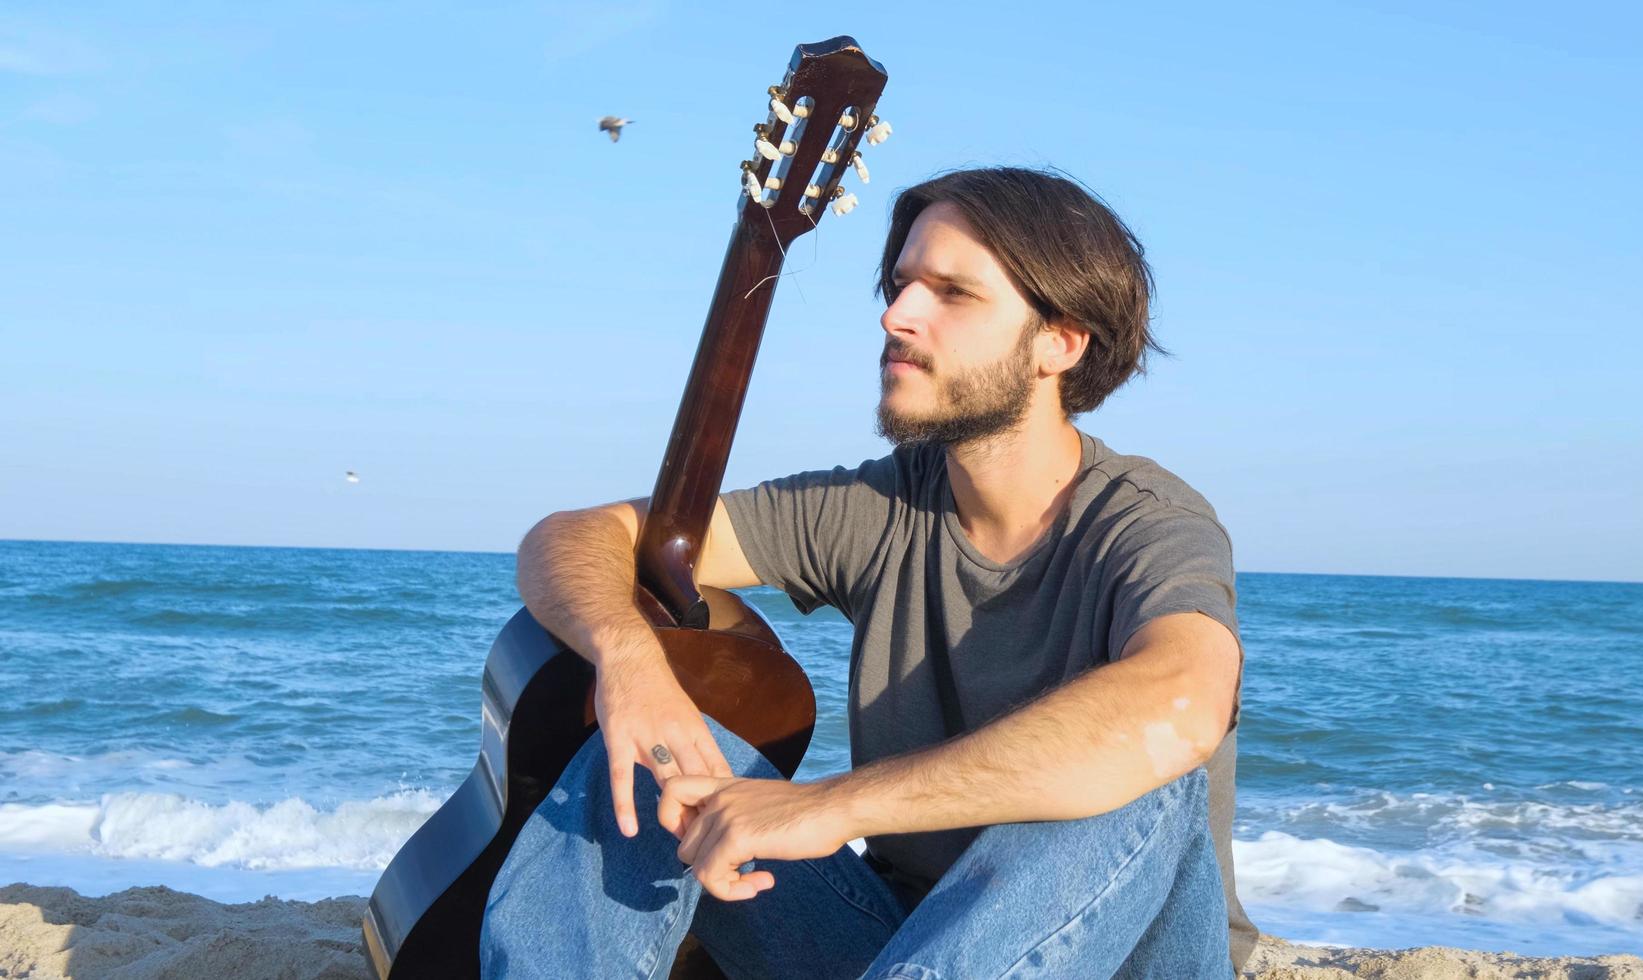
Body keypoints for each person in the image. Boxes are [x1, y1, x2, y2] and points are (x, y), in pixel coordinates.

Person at [481, 167, 1256, 979]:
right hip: (900, 946)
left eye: (951, 294)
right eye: (899, 285)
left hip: (1121, 957)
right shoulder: (883, 506)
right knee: (652, 758)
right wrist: (629, 660)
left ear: (1059, 341)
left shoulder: (1146, 520)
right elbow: (577, 536)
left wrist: (829, 806)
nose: (897, 315)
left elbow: (1180, 699)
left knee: (1128, 774)